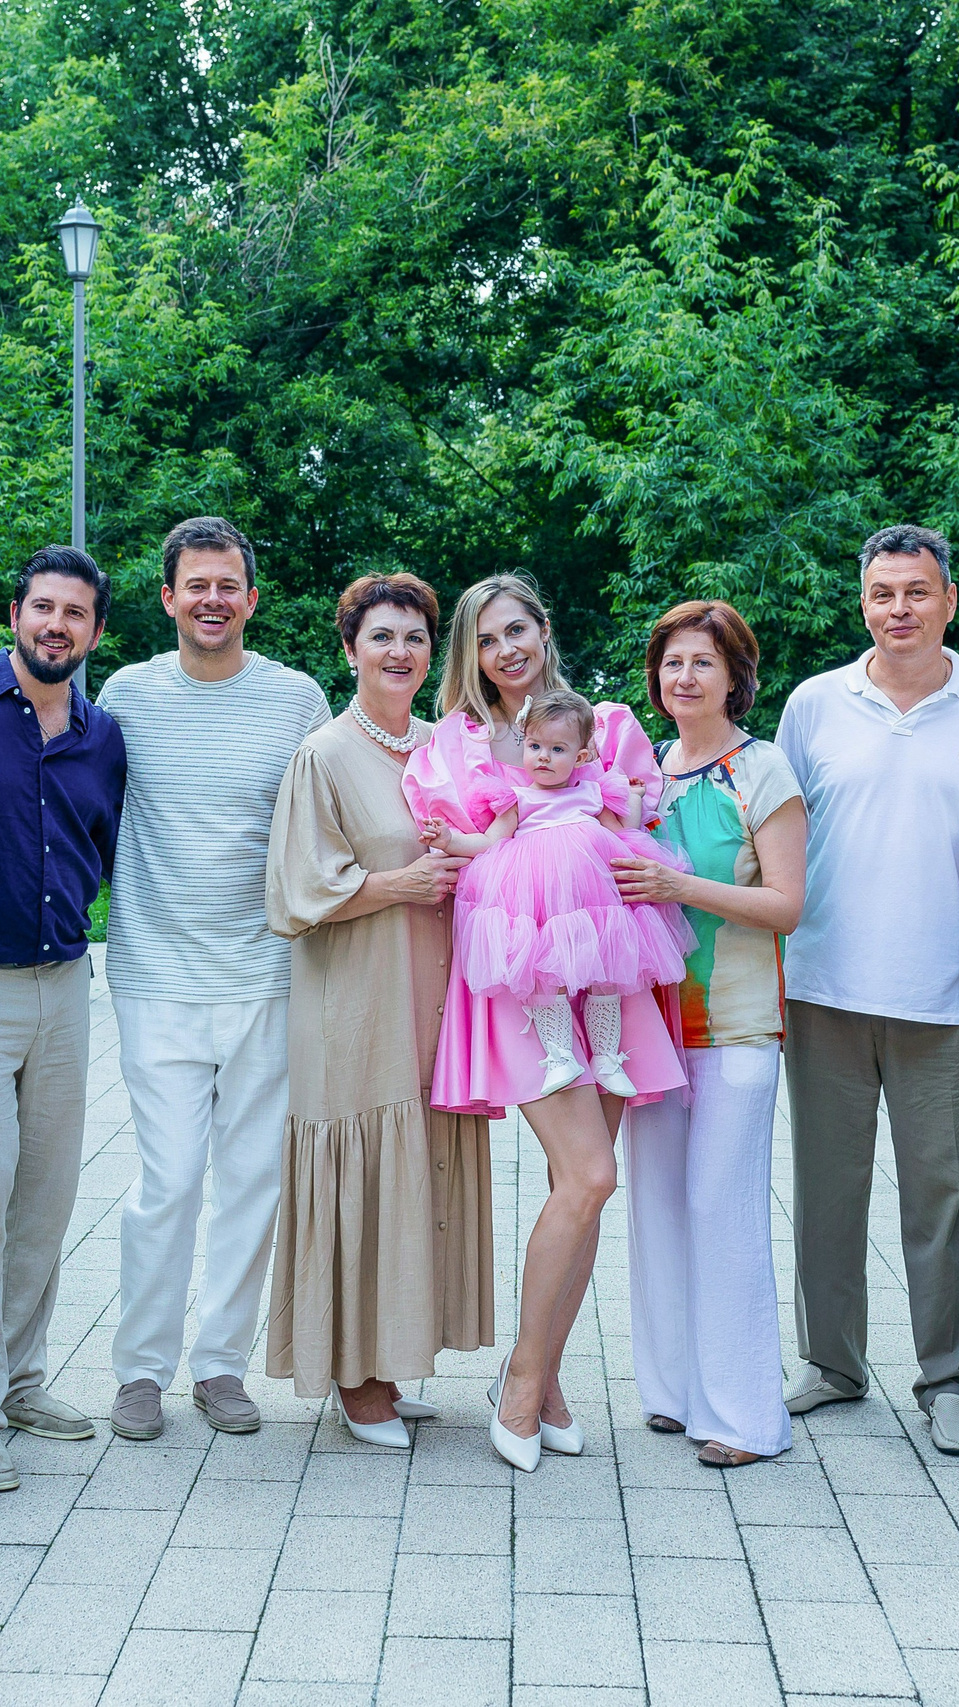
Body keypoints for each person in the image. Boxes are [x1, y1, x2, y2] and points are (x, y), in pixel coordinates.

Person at [405, 573, 684, 1471]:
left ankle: (548, 1381)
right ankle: (522, 1383)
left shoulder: (605, 724)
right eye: (488, 639)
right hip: (516, 980)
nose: (507, 649)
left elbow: (642, 822)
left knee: (589, 1186)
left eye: (518, 627)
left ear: (543, 627)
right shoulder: (456, 744)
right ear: (472, 654)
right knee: (593, 1172)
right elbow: (454, 850)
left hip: (608, 970)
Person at [777, 524, 959, 1457]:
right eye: (883, 593)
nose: (899, 610)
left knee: (944, 1197)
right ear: (862, 601)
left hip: (943, 994)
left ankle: (949, 1379)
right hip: (824, 986)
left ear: (951, 601)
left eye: (917, 592)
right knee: (826, 1190)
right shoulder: (814, 704)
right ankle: (831, 1363)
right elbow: (778, 841)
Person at [98, 517, 328, 1442]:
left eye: (227, 583)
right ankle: (140, 1370)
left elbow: (334, 810)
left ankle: (222, 1364)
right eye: (195, 584)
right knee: (167, 1180)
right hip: (154, 971)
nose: (212, 599)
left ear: (251, 597)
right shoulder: (125, 694)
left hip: (268, 974)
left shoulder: (296, 698)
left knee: (250, 1178)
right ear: (167, 597)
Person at [264, 573, 489, 1446]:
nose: (401, 652)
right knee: (363, 1166)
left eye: (416, 638)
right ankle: (354, 1377)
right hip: (355, 1000)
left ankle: (394, 1360)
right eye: (382, 636)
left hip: (439, 993)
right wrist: (396, 883)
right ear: (349, 647)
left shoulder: (447, 745)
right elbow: (292, 889)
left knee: (423, 1164)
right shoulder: (323, 754)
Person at [0, 546, 126, 1489]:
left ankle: (20, 1381)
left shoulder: (102, 732)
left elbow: (106, 846)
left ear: (94, 630)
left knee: (44, 1197)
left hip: (64, 984)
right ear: (15, 612)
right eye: (42, 607)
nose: (57, 625)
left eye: (75, 614)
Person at [611, 601, 807, 1468]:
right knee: (655, 1208)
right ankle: (673, 1391)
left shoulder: (762, 771)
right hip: (648, 1026)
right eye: (670, 662)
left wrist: (674, 886)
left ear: (736, 676)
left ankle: (743, 1418)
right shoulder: (644, 769)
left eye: (702, 662)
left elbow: (786, 906)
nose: (683, 677)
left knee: (719, 1210)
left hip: (734, 1026)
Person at [431, 688, 690, 1098]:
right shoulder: (515, 798)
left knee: (608, 977)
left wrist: (635, 799)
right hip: (540, 905)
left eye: (557, 748)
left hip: (594, 906)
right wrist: (450, 840)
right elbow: (489, 842)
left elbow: (624, 834)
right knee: (544, 976)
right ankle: (559, 1056)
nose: (543, 757)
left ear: (581, 757)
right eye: (535, 746)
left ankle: (607, 1056)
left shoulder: (591, 792)